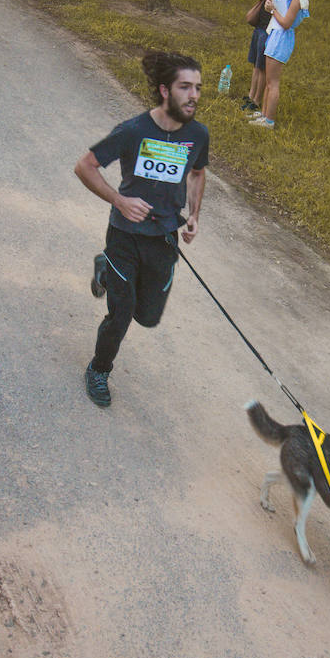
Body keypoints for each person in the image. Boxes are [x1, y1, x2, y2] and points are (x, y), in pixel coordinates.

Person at [74, 52, 209, 408]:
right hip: (125, 236)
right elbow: (85, 166)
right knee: (122, 312)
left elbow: (197, 173)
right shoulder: (134, 131)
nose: (194, 94)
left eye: (197, 87)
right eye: (185, 87)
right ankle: (99, 369)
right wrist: (119, 201)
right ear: (165, 90)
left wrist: (193, 214)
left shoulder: (197, 135)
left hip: (164, 239)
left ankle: (102, 270)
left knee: (147, 317)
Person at [249, 0, 318, 129]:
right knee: (269, 81)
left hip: (281, 39)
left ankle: (269, 121)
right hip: (276, 36)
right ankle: (263, 114)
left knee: (273, 83)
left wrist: (272, 10)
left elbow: (287, 23)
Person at [242, 0, 298, 115]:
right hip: (261, 22)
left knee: (262, 66)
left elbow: (278, 4)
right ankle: (251, 95)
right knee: (255, 63)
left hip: (270, 26)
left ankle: (257, 100)